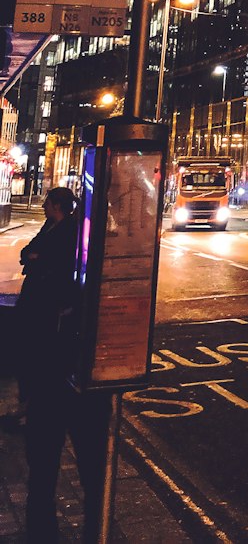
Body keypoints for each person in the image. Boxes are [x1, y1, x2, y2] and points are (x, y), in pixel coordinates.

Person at [15, 186, 106, 543]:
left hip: (58, 364)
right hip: (57, 364)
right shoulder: (53, 229)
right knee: (47, 460)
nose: (42, 206)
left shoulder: (70, 234)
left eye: (46, 203)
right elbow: (28, 253)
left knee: (56, 454)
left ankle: (83, 523)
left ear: (57, 206)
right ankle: (45, 524)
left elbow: (45, 260)